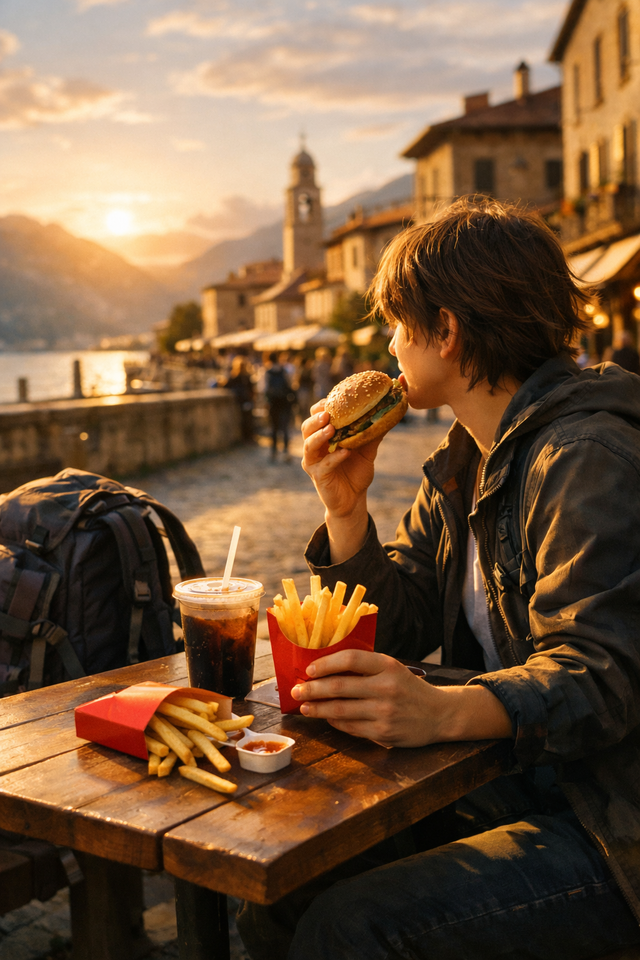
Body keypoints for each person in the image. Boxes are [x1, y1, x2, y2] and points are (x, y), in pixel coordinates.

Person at [237, 198, 640, 959]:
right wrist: (346, 510)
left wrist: (443, 711)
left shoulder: (585, 457)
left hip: (607, 822)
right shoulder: (464, 458)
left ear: (446, 331)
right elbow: (401, 627)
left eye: (398, 323)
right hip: (512, 780)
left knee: (349, 928)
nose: (389, 343)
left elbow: (602, 677)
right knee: (286, 888)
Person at [265, 351, 295, 461]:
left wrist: (266, 402)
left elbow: (264, 389)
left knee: (274, 428)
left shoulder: (267, 372)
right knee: (285, 427)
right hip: (284, 402)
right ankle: (286, 452)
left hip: (273, 403)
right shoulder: (284, 371)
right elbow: (290, 385)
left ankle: (274, 452)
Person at [223, 355, 255, 442]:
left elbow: (225, 386)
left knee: (244, 420)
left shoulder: (234, 377)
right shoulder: (246, 377)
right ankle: (248, 437)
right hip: (247, 401)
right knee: (248, 420)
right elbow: (252, 390)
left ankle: (245, 437)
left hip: (240, 401)